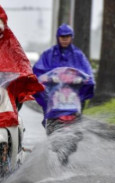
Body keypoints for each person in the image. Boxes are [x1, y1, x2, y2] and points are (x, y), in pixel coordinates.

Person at [33, 24, 95, 165]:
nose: (65, 39)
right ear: (58, 38)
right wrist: (46, 79)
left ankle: (71, 140)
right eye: (62, 37)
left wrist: (85, 79)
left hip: (72, 96)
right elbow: (38, 71)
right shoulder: (49, 54)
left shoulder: (78, 55)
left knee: (77, 121)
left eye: (67, 37)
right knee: (51, 120)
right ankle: (54, 135)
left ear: (71, 37)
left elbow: (87, 72)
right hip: (54, 96)